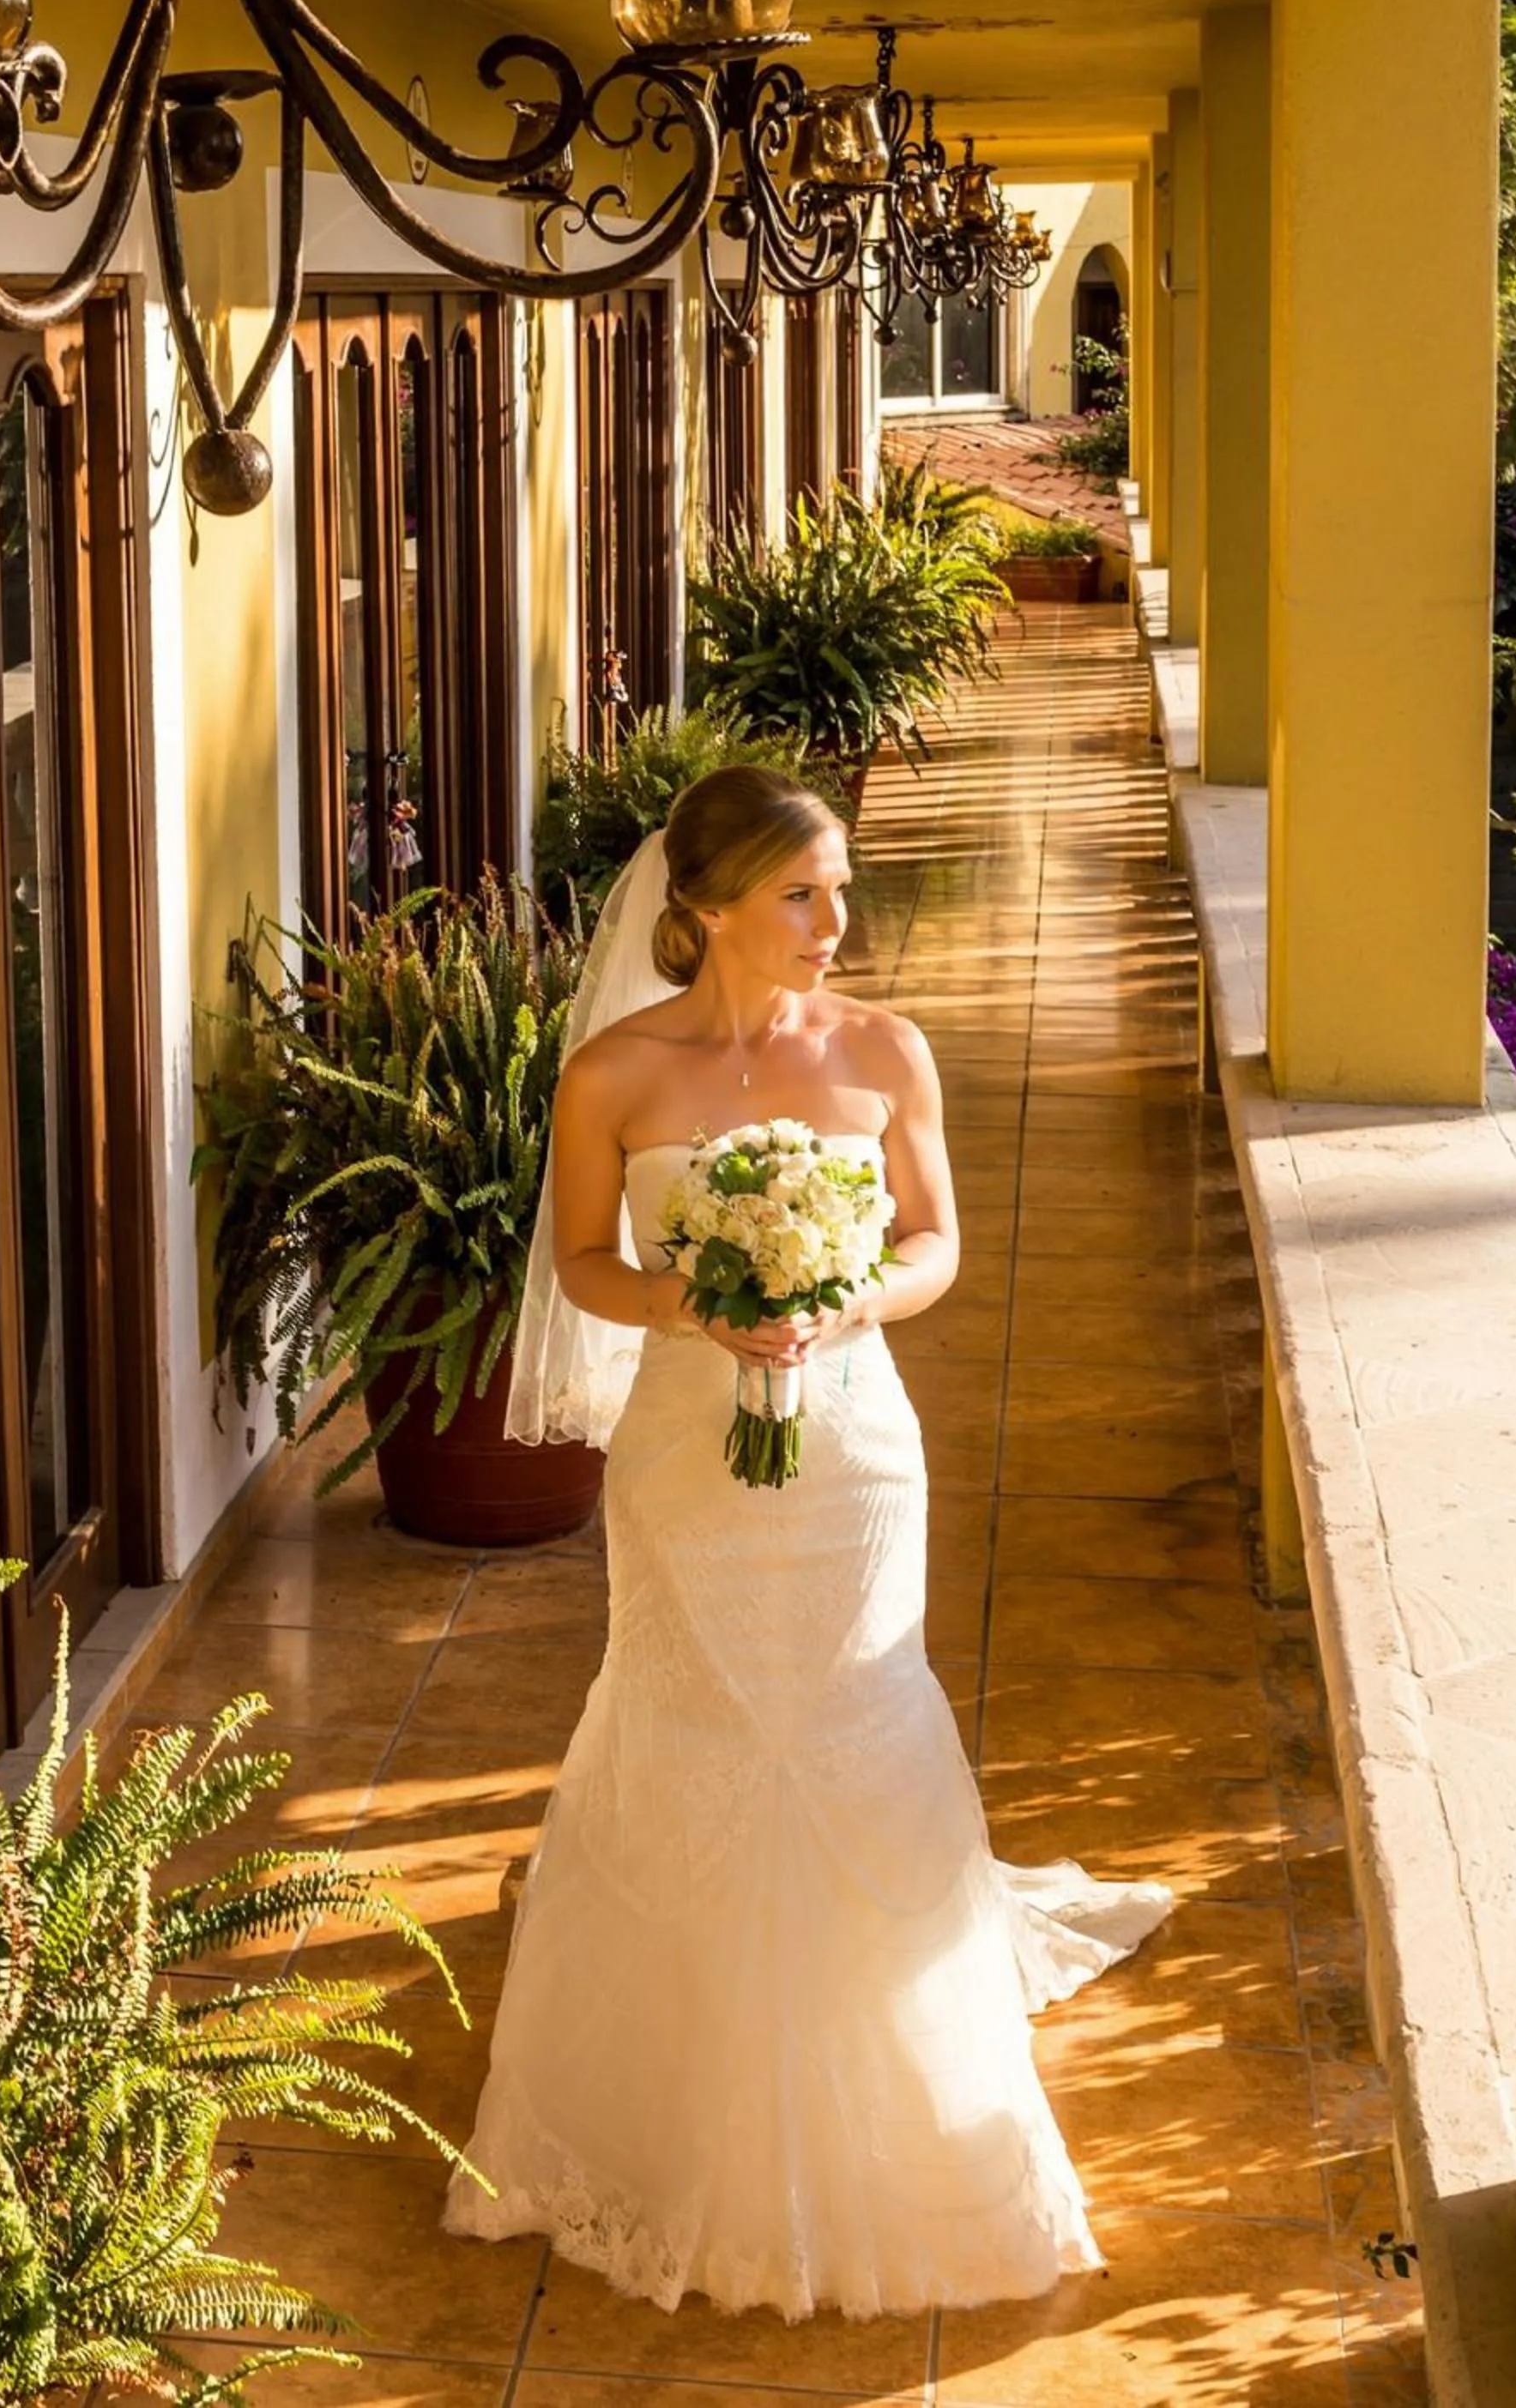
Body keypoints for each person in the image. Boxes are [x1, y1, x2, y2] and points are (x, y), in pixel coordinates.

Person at [443, 764, 1174, 2320]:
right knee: (687, 1722)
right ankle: (664, 2099)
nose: (839, 923)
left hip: (849, 1455)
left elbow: (935, 1243)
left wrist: (841, 1299)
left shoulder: (886, 1051)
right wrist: (692, 1303)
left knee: (854, 1719)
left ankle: (898, 2080)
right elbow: (579, 1263)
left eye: (842, 887)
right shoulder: (614, 1077)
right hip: (679, 1459)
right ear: (703, 910)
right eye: (801, 894)